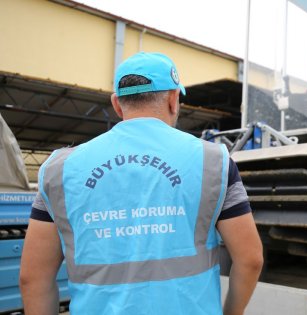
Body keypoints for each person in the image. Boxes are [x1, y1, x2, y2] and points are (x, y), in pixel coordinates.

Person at [19, 52, 263, 315]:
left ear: (117, 104)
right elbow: (250, 260)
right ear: (172, 99)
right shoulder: (214, 161)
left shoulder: (58, 170)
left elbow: (33, 279)